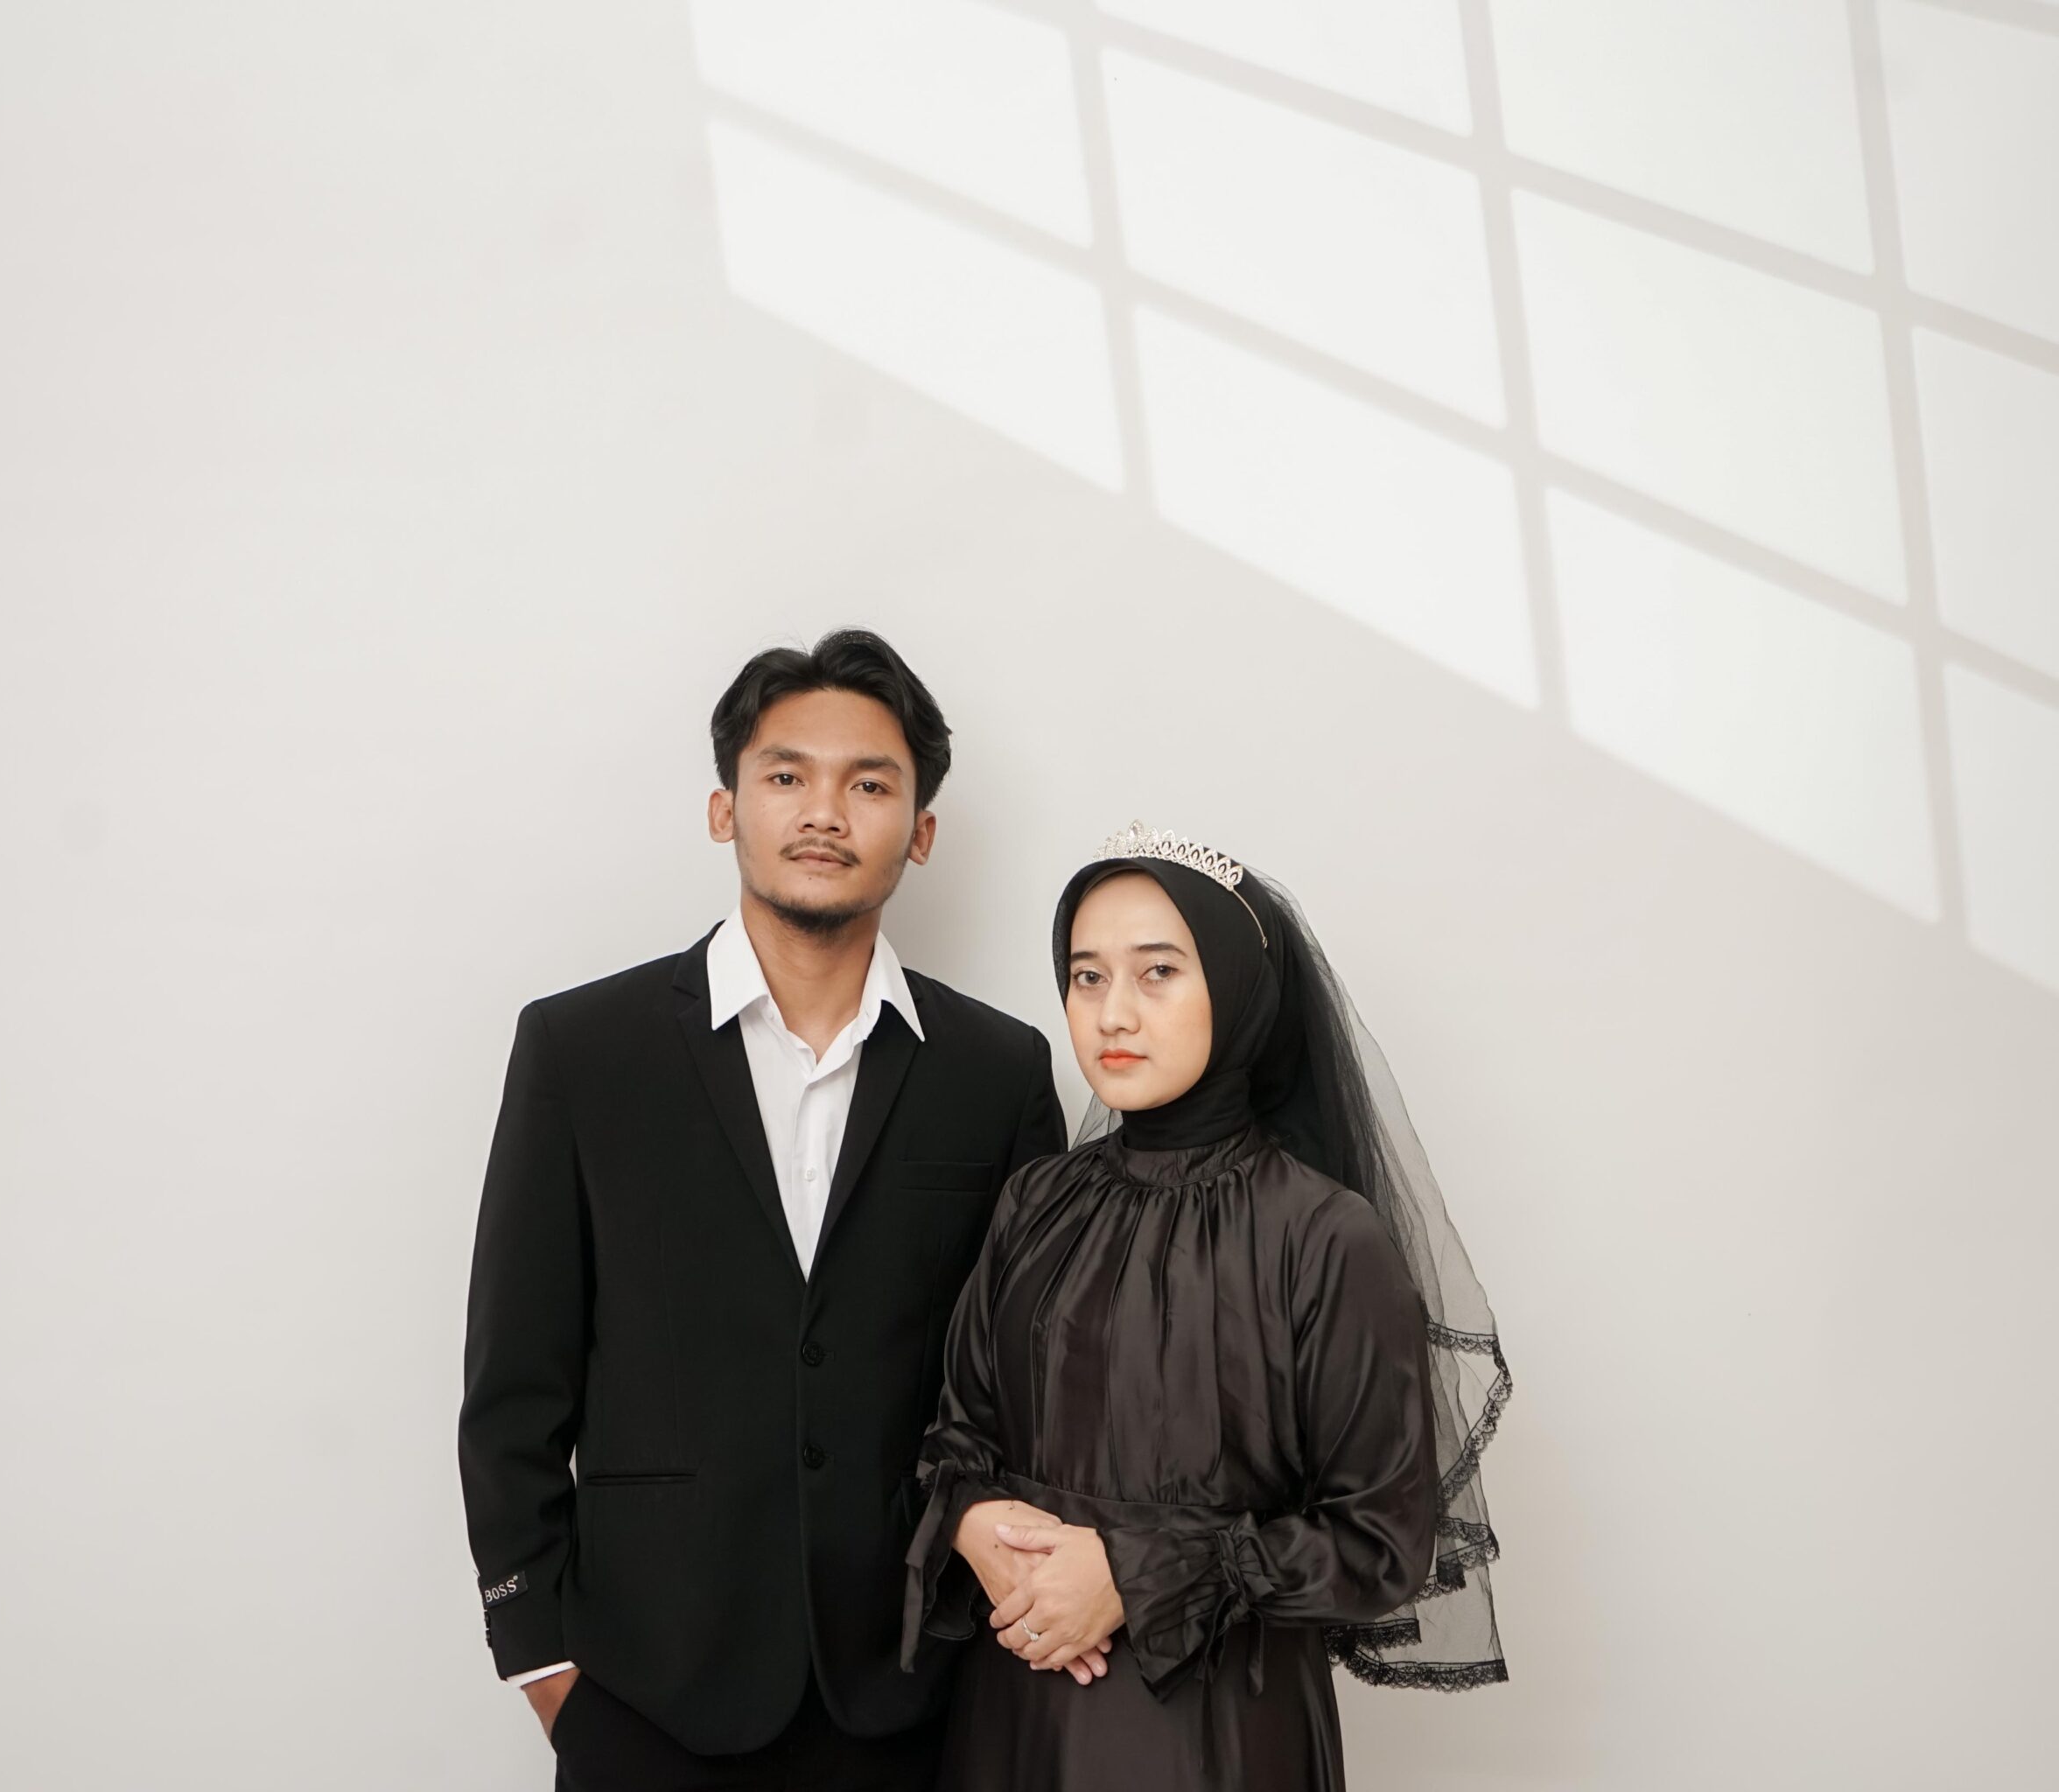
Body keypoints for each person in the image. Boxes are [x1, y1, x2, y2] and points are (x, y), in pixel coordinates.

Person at [459, 630, 1072, 1791]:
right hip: (643, 1688)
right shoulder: (582, 1051)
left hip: (911, 1691)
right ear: (724, 808)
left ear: (921, 831)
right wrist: (540, 1659)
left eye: (870, 785)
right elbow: (514, 1383)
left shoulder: (996, 1072)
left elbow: (1027, 1389)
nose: (824, 811)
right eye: (786, 775)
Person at [904, 822, 1510, 1790]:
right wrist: (970, 1519)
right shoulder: (1036, 1201)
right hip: (1013, 1702)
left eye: (1157, 972)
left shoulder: (1324, 1235)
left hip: (1213, 1731)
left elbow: (1380, 1544)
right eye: (1087, 976)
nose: (1113, 1013)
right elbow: (959, 1435)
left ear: (1236, 989)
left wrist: (1132, 1576)